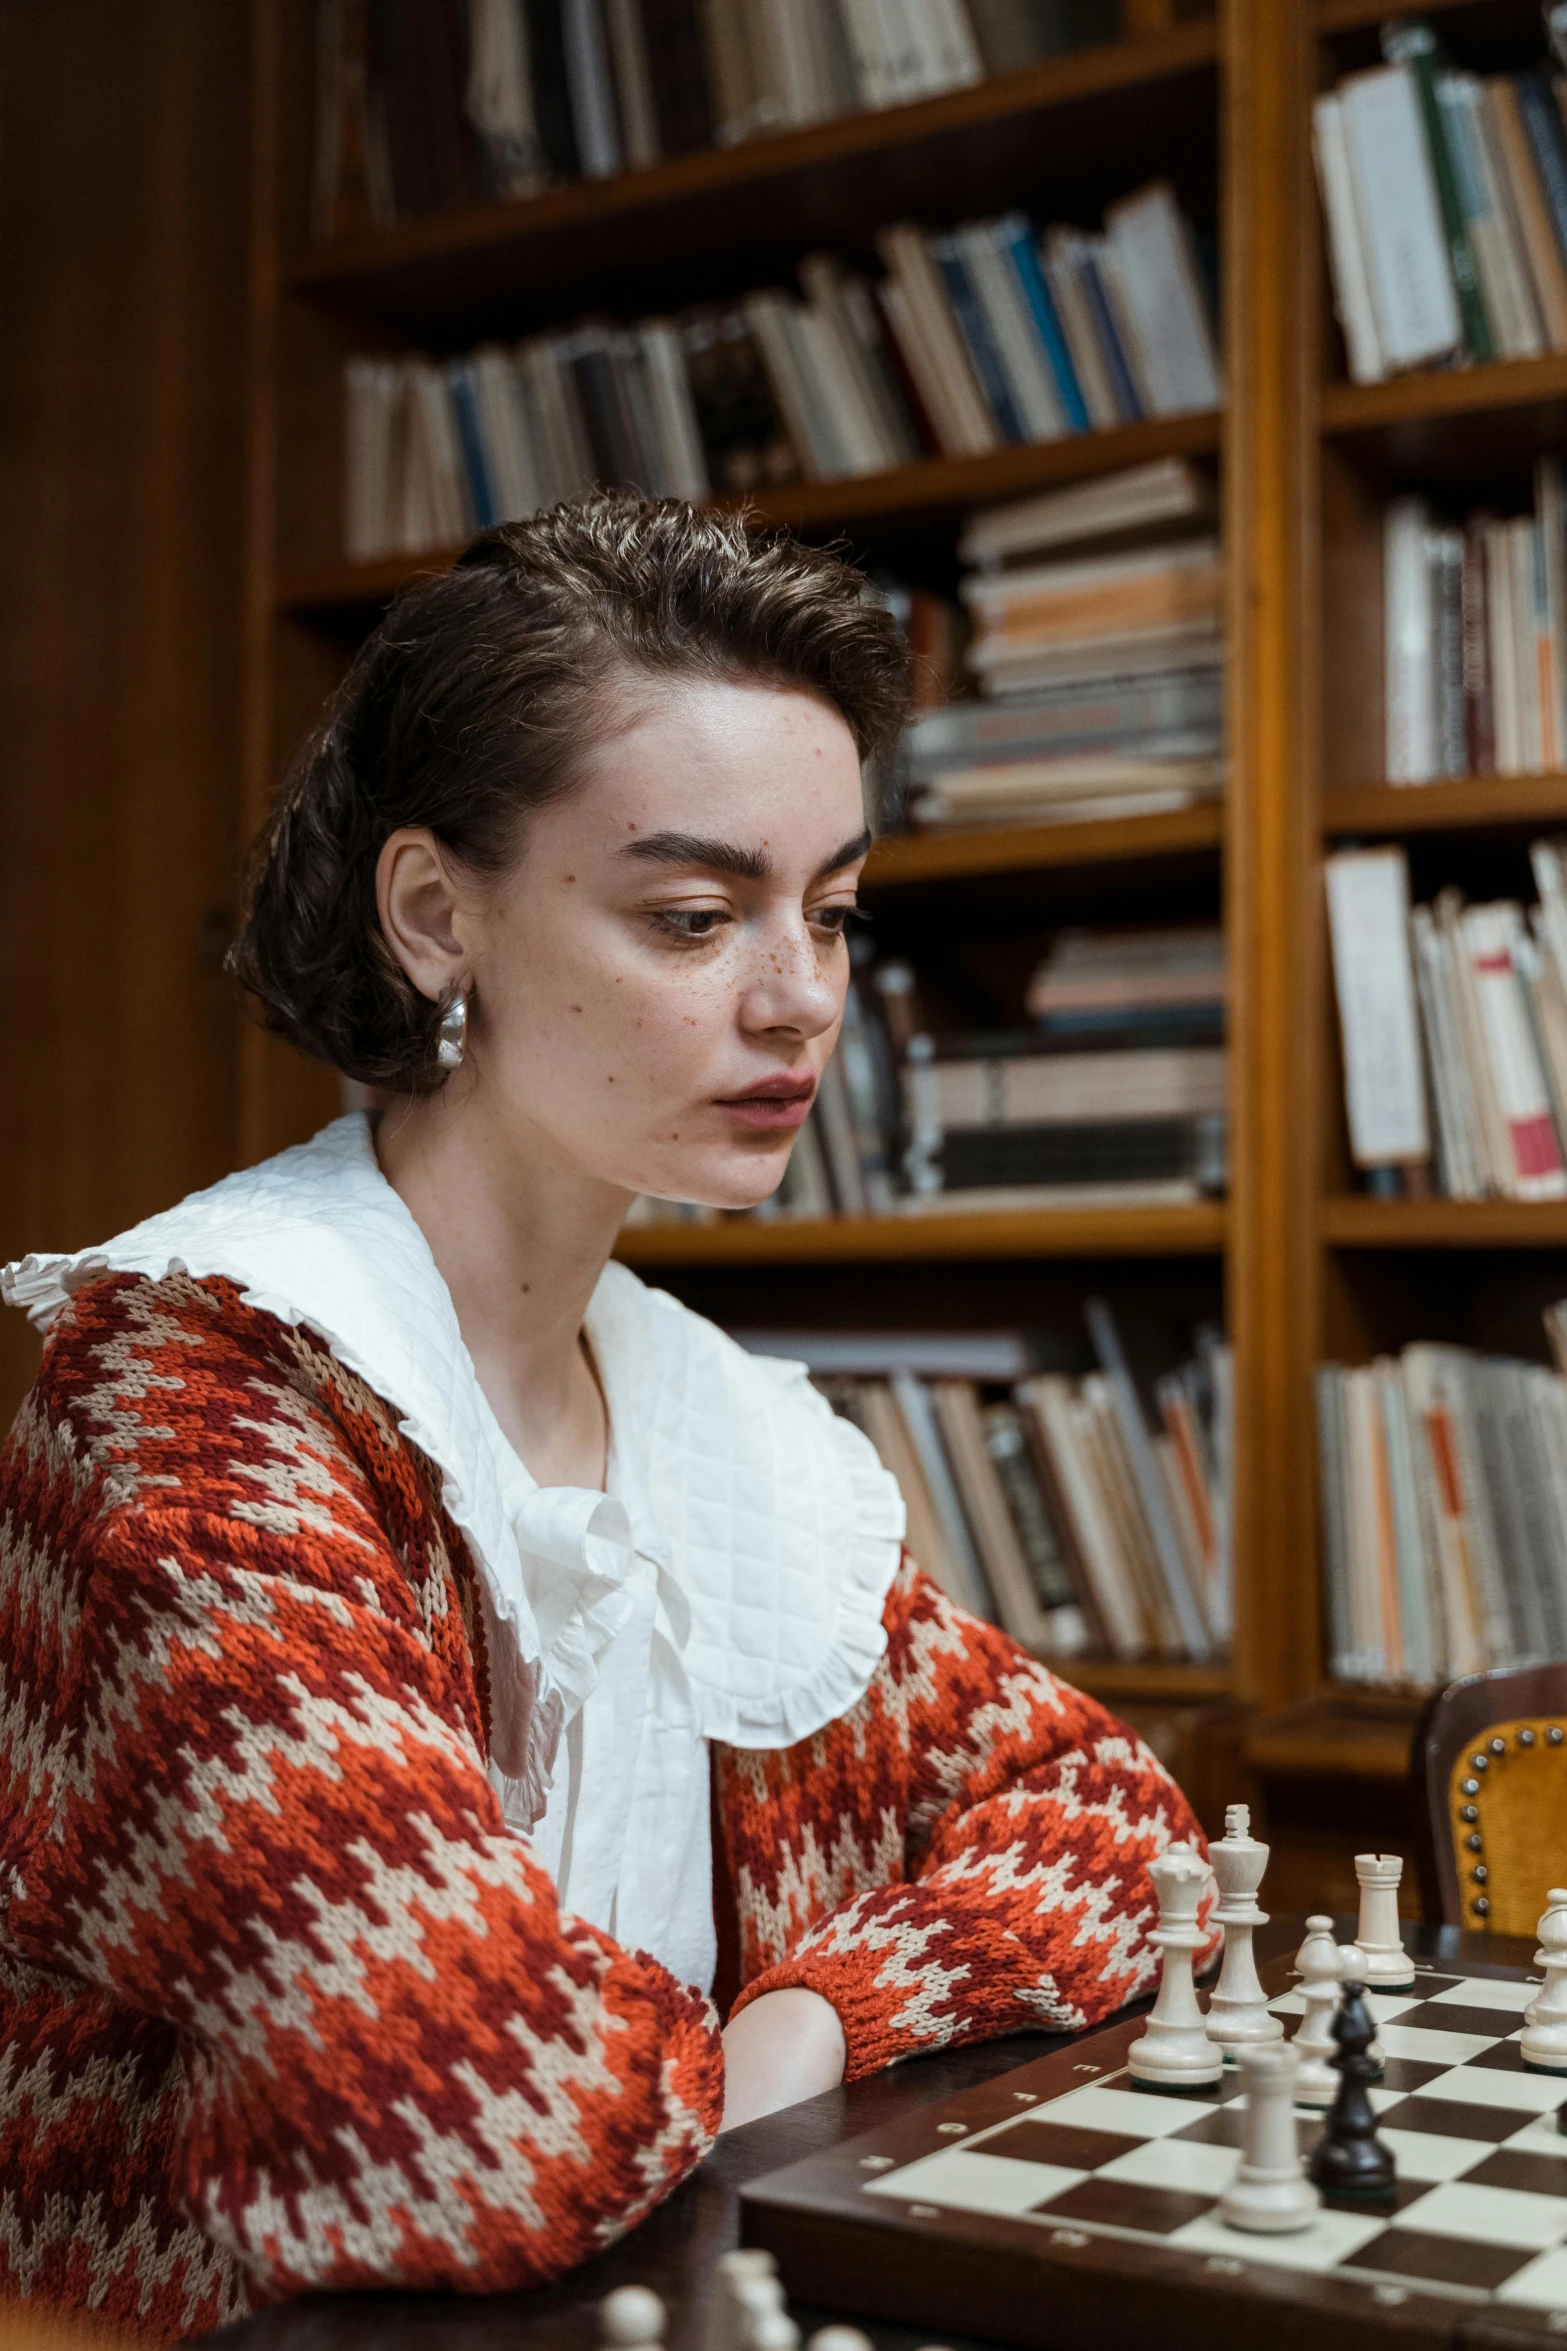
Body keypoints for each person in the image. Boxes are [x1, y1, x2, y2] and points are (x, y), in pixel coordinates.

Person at [0, 495, 1211, 2340]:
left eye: (830, 911)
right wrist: (728, 2069)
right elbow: (469, 2120)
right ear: (435, 914)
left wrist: (810, 2013)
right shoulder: (199, 1398)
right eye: (693, 913)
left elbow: (1116, 1823)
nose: (800, 997)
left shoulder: (710, 1428)